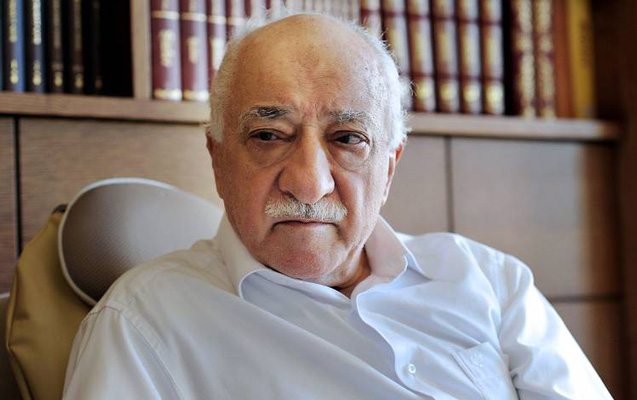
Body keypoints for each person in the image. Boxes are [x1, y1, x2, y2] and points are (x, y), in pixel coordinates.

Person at [63, 13, 612, 399]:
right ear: (218, 158)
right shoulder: (141, 326)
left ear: (389, 166)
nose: (309, 183)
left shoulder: (490, 282)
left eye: (348, 139)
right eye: (269, 135)